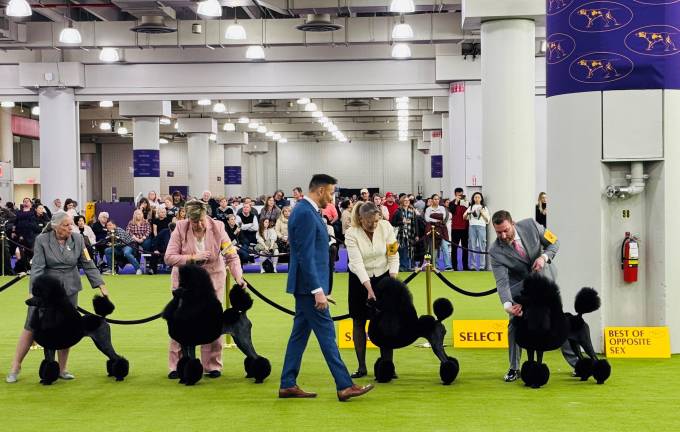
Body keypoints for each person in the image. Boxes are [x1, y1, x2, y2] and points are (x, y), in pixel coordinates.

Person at [279, 174, 374, 401]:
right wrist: (317, 290)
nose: (332, 198)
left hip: (307, 286)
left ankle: (287, 384)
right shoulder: (304, 213)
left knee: (299, 336)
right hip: (308, 287)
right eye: (331, 192)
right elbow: (304, 255)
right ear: (320, 190)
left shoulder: (307, 211)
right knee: (327, 334)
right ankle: (344, 385)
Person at [5, 211, 108, 383]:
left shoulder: (78, 239)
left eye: (71, 225)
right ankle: (16, 366)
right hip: (46, 291)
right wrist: (33, 291)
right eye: (66, 225)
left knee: (66, 327)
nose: (70, 228)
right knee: (31, 325)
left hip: (70, 289)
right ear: (55, 226)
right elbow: (37, 267)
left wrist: (100, 284)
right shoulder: (42, 240)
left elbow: (88, 263)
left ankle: (62, 368)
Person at [488, 210, 577, 382]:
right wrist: (508, 306)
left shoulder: (531, 225)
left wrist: (544, 257)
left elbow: (555, 243)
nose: (503, 235)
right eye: (498, 232)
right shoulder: (495, 251)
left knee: (557, 320)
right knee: (514, 325)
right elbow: (502, 282)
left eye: (506, 230)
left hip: (545, 282)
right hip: (521, 289)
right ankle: (514, 368)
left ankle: (577, 364)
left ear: (513, 223)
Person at [164, 200, 246, 379]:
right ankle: (177, 366)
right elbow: (169, 258)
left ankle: (212, 365)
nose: (199, 225)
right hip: (185, 283)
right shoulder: (179, 228)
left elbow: (231, 256)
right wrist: (193, 257)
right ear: (187, 219)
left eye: (201, 220)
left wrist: (239, 277)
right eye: (194, 222)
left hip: (213, 280)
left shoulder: (218, 227)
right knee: (180, 323)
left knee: (213, 321)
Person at [344, 201, 399, 378]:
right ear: (361, 219)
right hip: (359, 281)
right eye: (370, 222)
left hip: (383, 276)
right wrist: (368, 287)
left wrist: (393, 280)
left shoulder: (386, 227)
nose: (374, 225)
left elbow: (393, 253)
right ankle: (362, 367)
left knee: (385, 321)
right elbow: (357, 263)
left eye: (376, 221)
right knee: (359, 321)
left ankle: (388, 366)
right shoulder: (351, 234)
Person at [464, 192, 490, 271]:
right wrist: (468, 213)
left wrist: (482, 213)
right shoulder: (471, 207)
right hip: (472, 227)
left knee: (482, 246)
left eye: (478, 197)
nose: (477, 199)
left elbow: (488, 220)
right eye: (475, 197)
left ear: (481, 198)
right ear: (473, 198)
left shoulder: (484, 207)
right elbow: (464, 217)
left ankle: (482, 266)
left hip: (481, 227)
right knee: (472, 246)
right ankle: (473, 266)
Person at [425, 194, 450, 270]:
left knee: (445, 247)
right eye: (435, 199)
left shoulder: (442, 208)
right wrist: (436, 219)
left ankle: (448, 266)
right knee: (434, 248)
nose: (436, 200)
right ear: (432, 200)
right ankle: (435, 266)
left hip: (442, 230)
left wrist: (432, 216)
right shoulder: (428, 209)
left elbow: (443, 217)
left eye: (438, 199)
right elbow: (427, 219)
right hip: (432, 230)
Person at [392, 195, 417, 272]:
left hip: (410, 234)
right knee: (401, 251)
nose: (407, 202)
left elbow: (415, 224)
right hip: (400, 234)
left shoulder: (412, 211)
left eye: (408, 200)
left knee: (409, 251)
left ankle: (407, 266)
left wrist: (416, 234)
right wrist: (402, 222)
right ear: (402, 201)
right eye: (405, 200)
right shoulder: (397, 211)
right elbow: (393, 223)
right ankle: (402, 266)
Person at [449, 188, 470, 271]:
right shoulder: (451, 203)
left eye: (461, 194)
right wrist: (456, 202)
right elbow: (452, 211)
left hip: (465, 228)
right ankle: (454, 266)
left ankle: (465, 266)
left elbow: (469, 212)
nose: (460, 196)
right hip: (455, 228)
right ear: (455, 194)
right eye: (458, 194)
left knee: (465, 248)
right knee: (454, 248)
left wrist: (466, 203)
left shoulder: (467, 202)